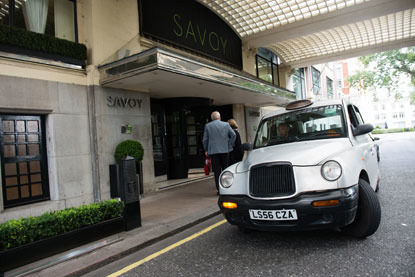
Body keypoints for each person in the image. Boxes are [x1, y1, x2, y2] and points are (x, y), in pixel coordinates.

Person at [203, 111, 236, 193]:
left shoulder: (208, 126)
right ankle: (227, 187)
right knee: (225, 169)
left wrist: (206, 149)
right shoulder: (226, 124)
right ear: (219, 117)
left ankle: (219, 189)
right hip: (225, 150)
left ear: (212, 118)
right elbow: (233, 135)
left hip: (213, 151)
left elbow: (205, 139)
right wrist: (229, 144)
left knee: (217, 171)